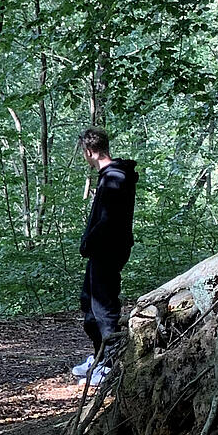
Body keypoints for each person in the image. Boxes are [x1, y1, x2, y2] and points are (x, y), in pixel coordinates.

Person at [73, 129, 138, 385]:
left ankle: (110, 363)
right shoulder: (110, 177)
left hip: (108, 250)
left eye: (84, 154)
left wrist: (89, 240)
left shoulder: (115, 178)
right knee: (89, 302)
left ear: (89, 152)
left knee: (103, 307)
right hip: (101, 250)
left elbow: (109, 220)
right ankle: (99, 356)